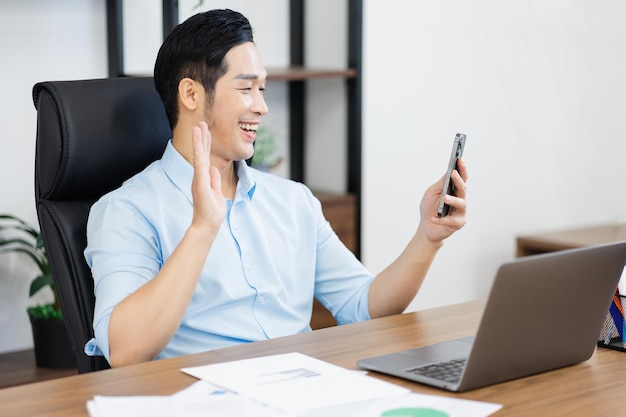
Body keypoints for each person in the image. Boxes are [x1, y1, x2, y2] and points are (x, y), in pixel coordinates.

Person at [84, 9, 468, 368]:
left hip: (306, 390)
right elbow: (126, 350)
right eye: (246, 88)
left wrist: (427, 237)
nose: (262, 107)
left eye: (262, 89)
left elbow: (363, 306)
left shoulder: (292, 201)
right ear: (191, 94)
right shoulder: (126, 210)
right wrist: (202, 229)